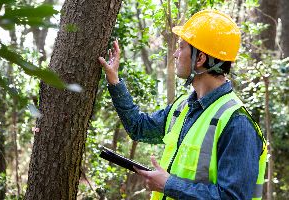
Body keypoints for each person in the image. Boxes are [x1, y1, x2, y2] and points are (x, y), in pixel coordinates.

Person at [98, 9, 267, 200]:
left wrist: (169, 185)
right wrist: (114, 80)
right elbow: (138, 127)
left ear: (200, 58)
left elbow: (232, 197)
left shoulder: (237, 123)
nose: (175, 54)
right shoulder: (183, 107)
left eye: (181, 47)